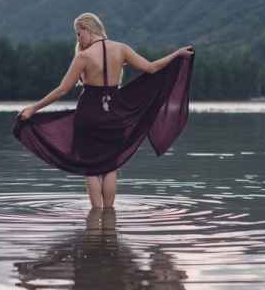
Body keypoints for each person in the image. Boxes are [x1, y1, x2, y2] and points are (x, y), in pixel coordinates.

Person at [13, 13, 194, 208]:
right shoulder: (121, 49)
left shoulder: (83, 56)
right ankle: (109, 214)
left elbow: (62, 90)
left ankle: (96, 214)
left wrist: (34, 108)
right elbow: (151, 68)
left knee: (91, 168)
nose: (78, 38)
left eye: (78, 34)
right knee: (110, 167)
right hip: (115, 115)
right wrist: (176, 54)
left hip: (88, 115)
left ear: (88, 29)